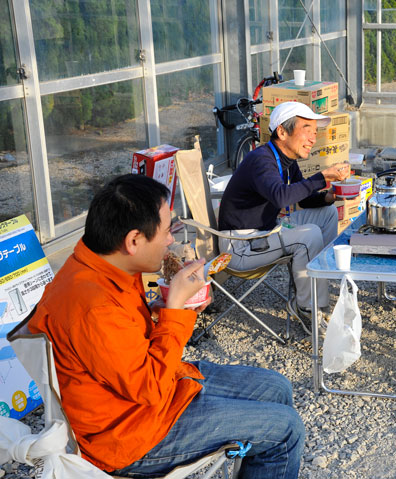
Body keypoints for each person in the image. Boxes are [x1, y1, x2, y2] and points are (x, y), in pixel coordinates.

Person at [27, 174, 304, 478]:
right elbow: (151, 388)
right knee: (287, 429)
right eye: (166, 231)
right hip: (131, 433)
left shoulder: (97, 263)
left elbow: (119, 342)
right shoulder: (94, 306)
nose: (171, 240)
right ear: (133, 241)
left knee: (277, 387)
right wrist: (175, 312)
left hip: (147, 395)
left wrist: (158, 308)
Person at [218, 101, 350, 332]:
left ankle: (313, 289)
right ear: (282, 131)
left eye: (315, 132)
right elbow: (281, 197)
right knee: (308, 236)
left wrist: (328, 196)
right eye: (306, 130)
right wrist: (321, 176)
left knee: (327, 214)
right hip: (241, 245)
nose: (313, 138)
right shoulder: (262, 160)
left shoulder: (285, 160)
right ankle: (309, 309)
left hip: (264, 232)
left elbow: (302, 198)